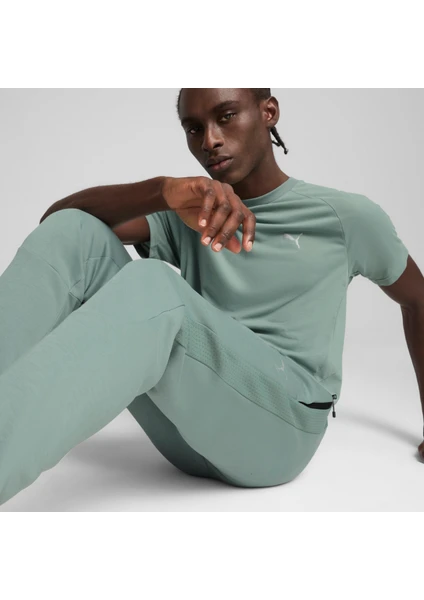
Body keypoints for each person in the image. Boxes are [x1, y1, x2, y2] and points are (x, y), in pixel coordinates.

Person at [0, 88, 422, 507]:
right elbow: (58, 223)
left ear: (268, 112)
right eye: (193, 128)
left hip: (280, 435)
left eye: (226, 116)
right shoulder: (193, 212)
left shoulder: (346, 217)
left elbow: (418, 300)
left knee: (154, 287)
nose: (210, 140)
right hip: (187, 432)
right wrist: (163, 190)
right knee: (74, 232)